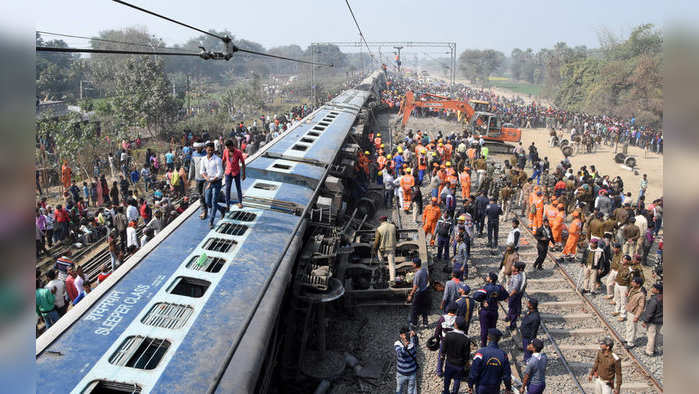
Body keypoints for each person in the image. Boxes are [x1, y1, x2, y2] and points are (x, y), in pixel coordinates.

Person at [468, 328, 513, 394]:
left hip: (481, 387)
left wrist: (470, 385)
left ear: (488, 338)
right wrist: (508, 388)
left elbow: (474, 371)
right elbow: (506, 375)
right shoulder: (503, 355)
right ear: (499, 339)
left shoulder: (480, 353)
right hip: (495, 388)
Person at [472, 272, 509, 347]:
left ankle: (483, 345)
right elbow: (506, 297)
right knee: (492, 329)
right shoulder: (500, 288)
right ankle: (492, 345)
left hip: (485, 311)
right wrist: (497, 298)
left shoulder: (486, 288)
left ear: (491, 280)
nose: (486, 277)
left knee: (484, 329)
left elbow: (475, 296)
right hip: (494, 311)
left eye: (488, 277)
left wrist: (483, 301)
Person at [437, 316, 471, 394]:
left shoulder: (448, 335)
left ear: (455, 325)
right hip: (460, 364)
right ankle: (455, 392)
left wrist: (442, 356)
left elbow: (443, 349)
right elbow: (466, 354)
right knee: (457, 379)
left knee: (447, 378)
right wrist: (466, 363)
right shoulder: (466, 339)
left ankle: (446, 391)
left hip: (449, 362)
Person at [200, 142, 225, 228]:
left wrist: (212, 180)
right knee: (208, 202)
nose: (210, 151)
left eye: (211, 150)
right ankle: (221, 209)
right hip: (208, 181)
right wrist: (207, 179)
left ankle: (211, 221)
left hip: (216, 182)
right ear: (206, 149)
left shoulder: (217, 160)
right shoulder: (203, 159)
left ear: (213, 150)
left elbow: (220, 173)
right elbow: (202, 171)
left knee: (214, 201)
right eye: (208, 150)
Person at [407, 258, 430, 329]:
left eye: (413, 263)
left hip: (419, 293)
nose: (412, 264)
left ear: (416, 264)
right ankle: (425, 323)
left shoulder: (417, 274)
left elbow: (415, 286)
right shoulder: (424, 270)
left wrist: (410, 295)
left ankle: (414, 323)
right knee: (424, 307)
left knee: (414, 308)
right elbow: (428, 279)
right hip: (425, 291)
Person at [374, 216, 398, 285]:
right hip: (391, 248)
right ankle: (392, 280)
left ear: (380, 221)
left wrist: (374, 249)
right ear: (386, 220)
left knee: (381, 261)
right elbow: (397, 236)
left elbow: (377, 241)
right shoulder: (393, 226)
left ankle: (383, 273)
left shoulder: (379, 229)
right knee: (392, 264)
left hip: (382, 248)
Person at [640, 282, 663, 356]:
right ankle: (655, 349)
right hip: (661, 320)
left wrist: (645, 321)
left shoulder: (654, 299)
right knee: (657, 334)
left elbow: (650, 312)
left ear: (657, 290)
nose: (652, 289)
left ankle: (649, 351)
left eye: (654, 288)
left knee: (651, 335)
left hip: (653, 321)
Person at [223, 139, 246, 209]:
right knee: (227, 188)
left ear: (232, 146)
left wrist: (243, 174)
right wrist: (223, 171)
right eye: (227, 147)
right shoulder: (225, 151)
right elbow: (223, 161)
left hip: (236, 172)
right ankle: (227, 204)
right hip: (228, 173)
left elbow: (243, 163)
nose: (228, 149)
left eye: (229, 147)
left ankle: (240, 202)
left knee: (238, 187)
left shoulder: (238, 152)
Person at [624, 276, 646, 349]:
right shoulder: (633, 289)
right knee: (628, 325)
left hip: (634, 312)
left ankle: (631, 343)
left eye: (633, 282)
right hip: (629, 310)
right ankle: (627, 338)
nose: (632, 283)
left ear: (638, 284)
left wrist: (637, 316)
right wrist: (628, 296)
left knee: (632, 327)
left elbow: (641, 307)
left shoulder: (641, 294)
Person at [395, 326, 418, 394]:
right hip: (401, 373)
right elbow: (400, 354)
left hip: (412, 373)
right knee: (399, 390)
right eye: (405, 334)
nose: (407, 336)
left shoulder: (412, 341)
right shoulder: (398, 343)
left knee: (411, 391)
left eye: (407, 334)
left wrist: (415, 335)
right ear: (400, 335)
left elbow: (416, 344)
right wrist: (405, 346)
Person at [505, 262, 526, 331]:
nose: (512, 266)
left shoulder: (518, 278)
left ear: (516, 269)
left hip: (513, 295)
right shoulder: (515, 274)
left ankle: (512, 325)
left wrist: (508, 296)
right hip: (512, 294)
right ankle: (509, 317)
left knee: (513, 309)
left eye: (513, 266)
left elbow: (515, 290)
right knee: (511, 308)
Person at [520, 298, 541, 363]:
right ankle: (526, 359)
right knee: (526, 350)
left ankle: (528, 362)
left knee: (528, 351)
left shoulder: (535, 317)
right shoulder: (530, 312)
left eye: (528, 303)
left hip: (528, 338)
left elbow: (534, 330)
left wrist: (531, 342)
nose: (527, 304)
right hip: (525, 336)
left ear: (531, 306)